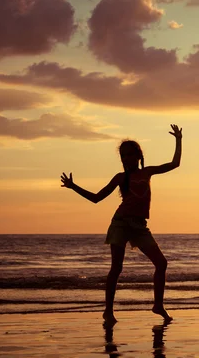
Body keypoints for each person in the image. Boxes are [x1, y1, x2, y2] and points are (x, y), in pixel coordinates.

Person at [60, 124, 183, 324]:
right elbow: (96, 198)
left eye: (129, 155)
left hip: (139, 226)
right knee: (116, 268)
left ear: (138, 156)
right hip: (120, 224)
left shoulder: (147, 172)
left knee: (161, 263)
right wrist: (73, 186)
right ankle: (108, 311)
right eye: (123, 156)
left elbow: (175, 163)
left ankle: (158, 304)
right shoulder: (120, 178)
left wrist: (178, 139)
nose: (126, 159)